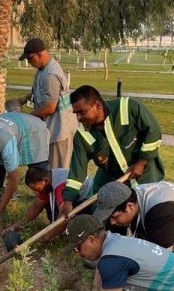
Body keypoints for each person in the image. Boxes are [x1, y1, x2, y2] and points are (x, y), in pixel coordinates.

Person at [62, 85, 165, 216]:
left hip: (145, 174)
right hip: (111, 177)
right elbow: (77, 169)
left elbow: (154, 132)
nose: (78, 118)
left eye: (82, 112)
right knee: (102, 213)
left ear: (97, 106)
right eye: (76, 113)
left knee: (145, 212)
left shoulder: (129, 107)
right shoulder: (82, 135)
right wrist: (68, 201)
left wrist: (141, 162)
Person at [17, 38, 78, 169]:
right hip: (52, 129)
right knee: (49, 169)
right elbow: (39, 92)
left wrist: (27, 118)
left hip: (60, 131)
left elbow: (49, 108)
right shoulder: (43, 69)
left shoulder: (50, 75)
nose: (29, 62)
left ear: (40, 54)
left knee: (58, 171)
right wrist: (23, 99)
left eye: (30, 58)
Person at [2, 166, 71, 243]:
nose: (36, 193)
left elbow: (64, 217)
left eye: (37, 189)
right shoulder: (49, 179)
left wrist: (45, 237)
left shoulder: (60, 185)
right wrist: (15, 226)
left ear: (45, 180)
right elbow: (36, 208)